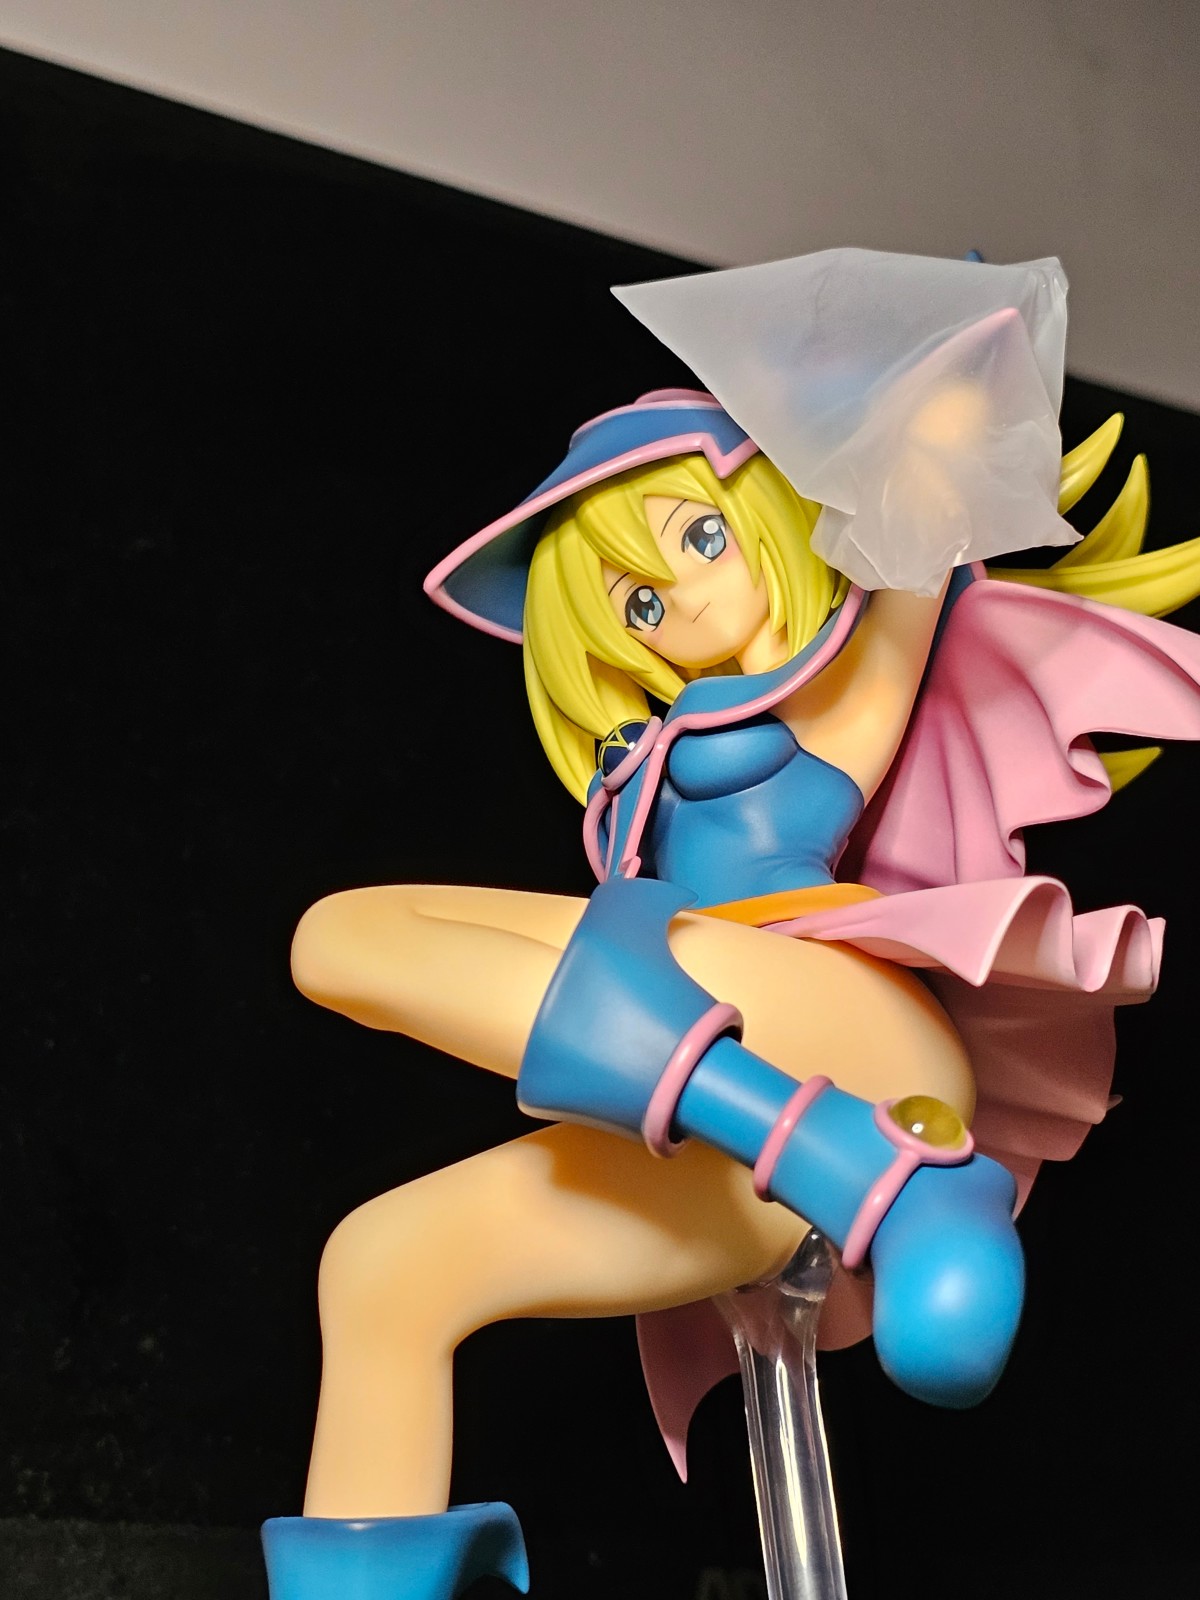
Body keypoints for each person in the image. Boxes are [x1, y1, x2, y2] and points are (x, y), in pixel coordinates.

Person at [260, 254, 1200, 1600]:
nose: (686, 601)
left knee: (342, 937)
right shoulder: (645, 762)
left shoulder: (826, 711)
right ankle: (866, 1172)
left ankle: (878, 1165)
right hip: (736, 1118)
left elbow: (915, 555)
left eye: (700, 540)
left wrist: (929, 408)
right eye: (639, 603)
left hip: (838, 1015)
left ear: (768, 520)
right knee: (383, 1270)